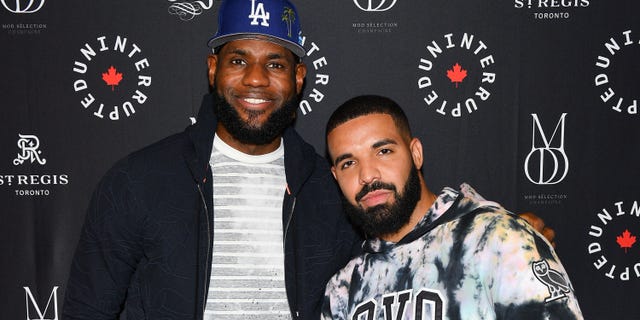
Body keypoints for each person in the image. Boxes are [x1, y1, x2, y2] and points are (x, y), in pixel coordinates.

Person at [62, 0, 361, 319]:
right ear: (213, 69)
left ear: (298, 78)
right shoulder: (138, 181)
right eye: (238, 61)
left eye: (275, 65)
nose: (256, 79)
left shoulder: (330, 191)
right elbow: (87, 311)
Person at [321, 95, 583, 320]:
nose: (367, 175)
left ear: (416, 154)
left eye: (383, 151)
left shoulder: (497, 239)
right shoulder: (343, 288)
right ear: (335, 177)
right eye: (348, 163)